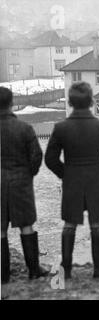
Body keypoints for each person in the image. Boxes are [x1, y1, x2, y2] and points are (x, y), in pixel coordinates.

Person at [45, 82, 99, 279]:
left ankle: (65, 271)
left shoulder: (61, 128)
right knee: (97, 225)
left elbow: (50, 160)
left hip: (72, 182)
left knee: (69, 225)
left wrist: (67, 174)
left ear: (70, 102)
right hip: (96, 182)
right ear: (91, 102)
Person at [1, 87, 49, 286]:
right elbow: (37, 155)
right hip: (21, 182)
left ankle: (3, 276)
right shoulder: (25, 128)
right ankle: (34, 270)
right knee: (26, 225)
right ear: (12, 103)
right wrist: (29, 173)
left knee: (0, 230)